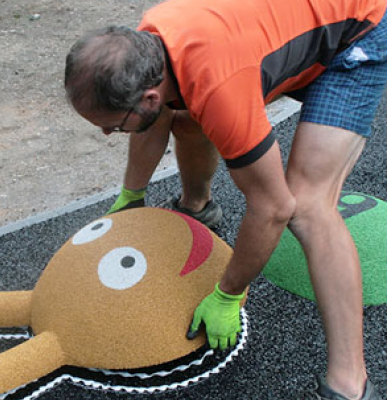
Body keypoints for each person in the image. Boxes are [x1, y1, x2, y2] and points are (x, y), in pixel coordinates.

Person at [64, 0, 387, 398]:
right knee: (186, 114)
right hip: (272, 35)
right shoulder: (152, 38)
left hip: (359, 31)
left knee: (306, 205)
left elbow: (272, 208)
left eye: (112, 126)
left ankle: (350, 383)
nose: (107, 134)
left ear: (147, 96)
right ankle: (197, 208)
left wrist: (228, 293)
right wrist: (131, 197)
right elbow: (157, 117)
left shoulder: (219, 87)